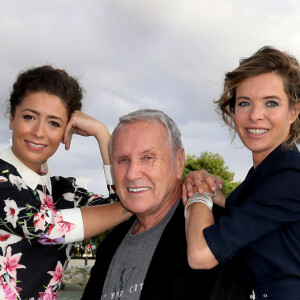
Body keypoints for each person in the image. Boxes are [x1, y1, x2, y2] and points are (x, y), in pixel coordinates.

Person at [82, 109, 249, 300]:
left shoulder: (214, 234)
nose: (132, 173)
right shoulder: (111, 243)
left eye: (148, 157)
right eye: (123, 160)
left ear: (179, 163)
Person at [0, 65, 131, 299]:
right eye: (29, 117)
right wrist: (132, 205)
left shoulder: (62, 192)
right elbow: (46, 227)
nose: (39, 132)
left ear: (65, 132)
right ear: (12, 118)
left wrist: (103, 136)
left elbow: (122, 202)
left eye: (54, 123)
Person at [184, 46, 300, 300]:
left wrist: (198, 195)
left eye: (271, 103)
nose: (255, 115)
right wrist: (216, 195)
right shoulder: (269, 171)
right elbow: (259, 218)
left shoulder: (289, 174)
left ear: (293, 111)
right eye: (244, 103)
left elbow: (200, 254)